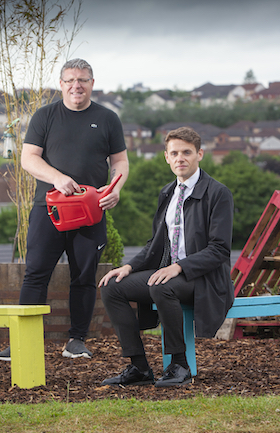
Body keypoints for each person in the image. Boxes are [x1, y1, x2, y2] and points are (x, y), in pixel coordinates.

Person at [0, 58, 128, 362]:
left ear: (92, 83)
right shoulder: (45, 116)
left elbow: (120, 162)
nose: (76, 86)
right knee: (36, 273)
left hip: (91, 209)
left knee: (83, 276)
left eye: (82, 80)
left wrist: (115, 189)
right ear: (61, 84)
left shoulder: (108, 119)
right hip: (49, 208)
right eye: (70, 80)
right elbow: (29, 159)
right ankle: (21, 342)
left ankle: (76, 341)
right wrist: (57, 178)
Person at [98, 126, 235, 387]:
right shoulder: (167, 193)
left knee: (162, 287)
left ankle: (179, 365)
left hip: (204, 278)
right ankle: (138, 367)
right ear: (166, 157)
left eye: (187, 152)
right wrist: (128, 267)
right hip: (170, 274)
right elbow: (155, 244)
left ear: (200, 155)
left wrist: (179, 267)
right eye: (174, 153)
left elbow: (219, 249)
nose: (180, 158)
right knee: (112, 287)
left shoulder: (218, 194)